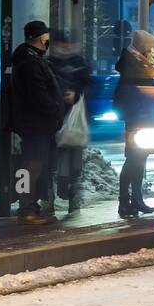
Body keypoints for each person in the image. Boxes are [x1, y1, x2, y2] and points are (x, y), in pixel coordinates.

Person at [10, 20, 66, 224]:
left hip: (36, 123)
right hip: (35, 124)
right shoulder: (31, 62)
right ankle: (25, 208)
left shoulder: (30, 59)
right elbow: (38, 95)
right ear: (42, 38)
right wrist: (54, 109)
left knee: (33, 165)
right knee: (30, 166)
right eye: (46, 37)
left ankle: (28, 205)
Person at [113, 30, 154, 219]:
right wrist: (139, 113)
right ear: (141, 45)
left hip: (145, 117)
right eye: (149, 46)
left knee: (140, 160)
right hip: (137, 119)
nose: (151, 50)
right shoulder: (132, 64)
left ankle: (137, 200)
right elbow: (131, 94)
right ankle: (124, 202)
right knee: (133, 159)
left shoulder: (141, 61)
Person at [48, 30, 94, 214]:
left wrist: (76, 94)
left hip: (75, 118)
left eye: (69, 43)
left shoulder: (79, 64)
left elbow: (90, 86)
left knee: (74, 159)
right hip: (55, 117)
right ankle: (54, 195)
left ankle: (72, 196)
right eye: (62, 44)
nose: (66, 47)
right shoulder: (50, 64)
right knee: (53, 159)